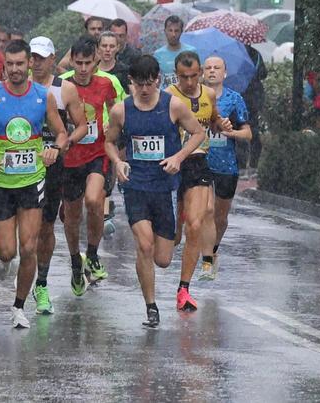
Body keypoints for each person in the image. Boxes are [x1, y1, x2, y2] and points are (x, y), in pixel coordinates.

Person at [0, 39, 77, 329]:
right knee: (6, 252)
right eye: (9, 64)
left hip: (31, 179)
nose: (15, 69)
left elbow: (62, 132)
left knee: (28, 247)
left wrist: (56, 149)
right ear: (3, 67)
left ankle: (18, 306)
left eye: (19, 64)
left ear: (29, 64)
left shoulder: (43, 96)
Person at [104, 55, 206, 328]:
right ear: (132, 83)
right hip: (135, 186)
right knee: (145, 245)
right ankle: (151, 307)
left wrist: (179, 158)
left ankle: (154, 261)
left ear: (158, 80)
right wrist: (118, 162)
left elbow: (198, 134)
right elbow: (110, 142)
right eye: (140, 84)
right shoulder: (121, 110)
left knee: (162, 258)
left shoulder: (172, 105)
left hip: (165, 187)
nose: (145, 89)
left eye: (150, 83)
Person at [27, 36, 85, 315]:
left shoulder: (66, 89)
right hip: (21, 165)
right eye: (32, 57)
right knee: (23, 230)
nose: (36, 63)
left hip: (52, 165)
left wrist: (62, 144)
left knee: (46, 226)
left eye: (41, 57)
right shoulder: (16, 87)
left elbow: (82, 126)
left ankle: (41, 282)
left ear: (53, 59)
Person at [167, 51, 228, 311]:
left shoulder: (209, 95)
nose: (190, 82)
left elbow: (213, 121)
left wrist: (219, 124)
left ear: (200, 72)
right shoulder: (168, 96)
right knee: (173, 237)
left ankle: (184, 289)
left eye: (194, 76)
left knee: (195, 224)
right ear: (176, 74)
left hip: (198, 162)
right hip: (171, 164)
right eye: (184, 77)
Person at [59, 37, 117, 292]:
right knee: (71, 217)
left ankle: (92, 254)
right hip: (70, 159)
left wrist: (112, 128)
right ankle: (74, 261)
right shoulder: (61, 87)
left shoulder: (106, 84)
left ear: (96, 61)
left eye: (87, 63)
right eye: (78, 63)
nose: (83, 69)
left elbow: (117, 111)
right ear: (71, 61)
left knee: (94, 201)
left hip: (96, 154)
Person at [202, 55, 251, 279]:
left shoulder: (234, 99)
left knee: (220, 217)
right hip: (201, 163)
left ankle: (213, 250)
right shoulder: (197, 98)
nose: (212, 71)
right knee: (207, 210)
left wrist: (231, 132)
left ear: (224, 72)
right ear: (203, 72)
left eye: (216, 68)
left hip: (226, 165)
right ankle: (205, 259)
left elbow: (247, 133)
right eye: (208, 68)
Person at [153, 16, 197, 87]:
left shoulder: (191, 51)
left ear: (181, 32)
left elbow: (197, 75)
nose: (173, 34)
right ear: (165, 31)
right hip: (166, 95)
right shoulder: (158, 54)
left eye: (176, 31)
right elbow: (155, 78)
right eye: (170, 30)